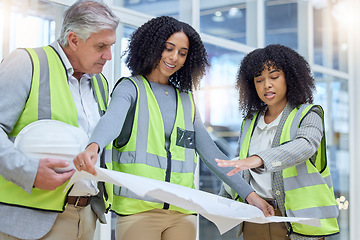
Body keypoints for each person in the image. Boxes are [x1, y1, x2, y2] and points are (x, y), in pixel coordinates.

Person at [73, 16, 274, 240]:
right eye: (168, 49)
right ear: (152, 47)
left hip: (183, 213)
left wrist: (250, 195)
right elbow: (112, 120)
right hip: (139, 213)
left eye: (182, 52)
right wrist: (94, 146)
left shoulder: (187, 100)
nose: (174, 58)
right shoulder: (131, 88)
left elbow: (212, 155)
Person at [0, 1, 119, 239]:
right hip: (30, 218)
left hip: (86, 215)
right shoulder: (27, 63)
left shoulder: (100, 83)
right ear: (74, 40)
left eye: (111, 46)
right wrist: (30, 172)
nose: (108, 55)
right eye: (101, 46)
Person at [216, 44, 340, 240]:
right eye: (259, 80)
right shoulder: (250, 120)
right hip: (256, 215)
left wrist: (258, 159)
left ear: (289, 77)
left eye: (274, 77)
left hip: (299, 222)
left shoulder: (309, 113)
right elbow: (240, 164)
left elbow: (305, 145)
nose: (267, 85)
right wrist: (222, 202)